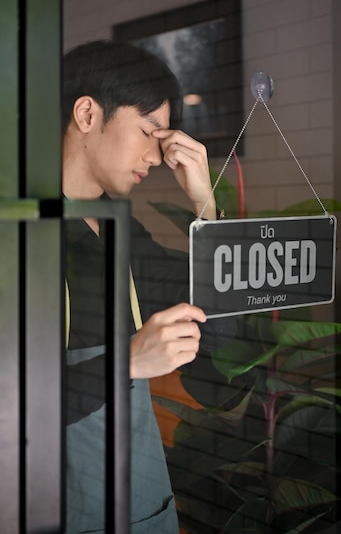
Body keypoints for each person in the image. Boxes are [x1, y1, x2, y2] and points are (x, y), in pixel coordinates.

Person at [62, 39, 232, 533]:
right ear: (88, 114)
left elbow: (214, 321)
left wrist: (205, 204)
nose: (157, 155)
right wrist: (129, 362)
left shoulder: (119, 232)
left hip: (142, 509)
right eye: (150, 130)